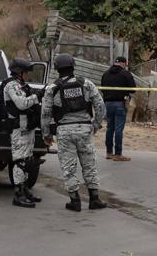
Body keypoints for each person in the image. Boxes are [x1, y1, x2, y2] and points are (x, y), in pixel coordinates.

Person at [41, 53, 107, 212]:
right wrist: (96, 124)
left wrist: (46, 134)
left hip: (64, 131)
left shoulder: (52, 88)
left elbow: (45, 113)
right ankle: (94, 199)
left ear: (57, 68)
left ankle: (75, 200)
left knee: (68, 166)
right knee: (89, 164)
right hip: (85, 129)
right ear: (73, 66)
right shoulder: (86, 84)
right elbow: (100, 105)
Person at [0, 57, 42, 208]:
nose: (27, 75)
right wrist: (38, 96)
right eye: (26, 72)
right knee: (20, 161)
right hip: (18, 128)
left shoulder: (22, 85)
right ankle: (18, 195)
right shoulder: (12, 85)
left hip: (27, 127)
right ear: (19, 72)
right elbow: (22, 104)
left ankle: (24, 189)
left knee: (28, 160)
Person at [100, 55, 136, 161]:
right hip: (120, 104)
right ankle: (118, 154)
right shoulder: (125, 73)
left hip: (108, 104)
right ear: (123, 63)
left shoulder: (105, 74)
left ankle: (109, 152)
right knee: (118, 129)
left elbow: (103, 89)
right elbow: (133, 89)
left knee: (109, 128)